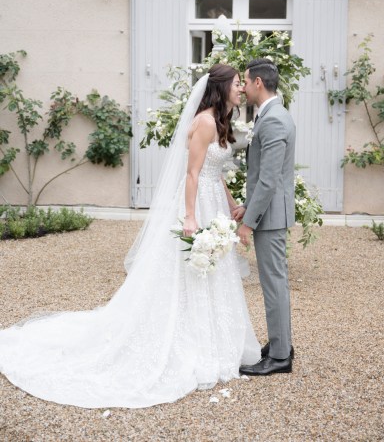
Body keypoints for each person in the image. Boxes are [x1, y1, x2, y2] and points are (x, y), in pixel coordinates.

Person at [0, 64, 260, 409]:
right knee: (189, 271)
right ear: (221, 86)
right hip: (196, 203)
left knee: (212, 273)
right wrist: (191, 217)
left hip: (213, 201)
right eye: (236, 83)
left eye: (242, 83)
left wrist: (230, 204)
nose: (240, 88)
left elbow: (216, 173)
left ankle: (214, 342)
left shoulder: (220, 121)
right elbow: (193, 174)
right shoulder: (205, 122)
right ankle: (185, 343)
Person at [233, 58, 296, 376]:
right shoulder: (271, 114)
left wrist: (248, 222)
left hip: (270, 217)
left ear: (259, 82)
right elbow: (263, 176)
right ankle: (279, 343)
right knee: (274, 282)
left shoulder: (272, 120)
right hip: (267, 212)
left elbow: (270, 180)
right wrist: (247, 204)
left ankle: (281, 356)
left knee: (273, 283)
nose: (242, 87)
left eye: (244, 81)